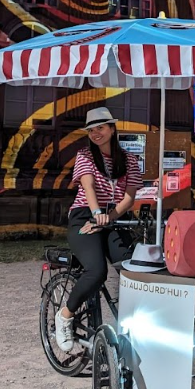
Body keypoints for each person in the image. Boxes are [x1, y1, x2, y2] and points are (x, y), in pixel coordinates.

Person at [55, 106, 142, 352]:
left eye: (100, 128)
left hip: (112, 217)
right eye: (91, 130)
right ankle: (65, 316)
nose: (96, 134)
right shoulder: (85, 156)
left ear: (112, 129)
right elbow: (89, 187)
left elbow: (129, 197)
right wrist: (96, 214)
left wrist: (110, 216)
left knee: (131, 268)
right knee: (96, 271)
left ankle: (129, 325)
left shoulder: (129, 160)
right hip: (84, 215)